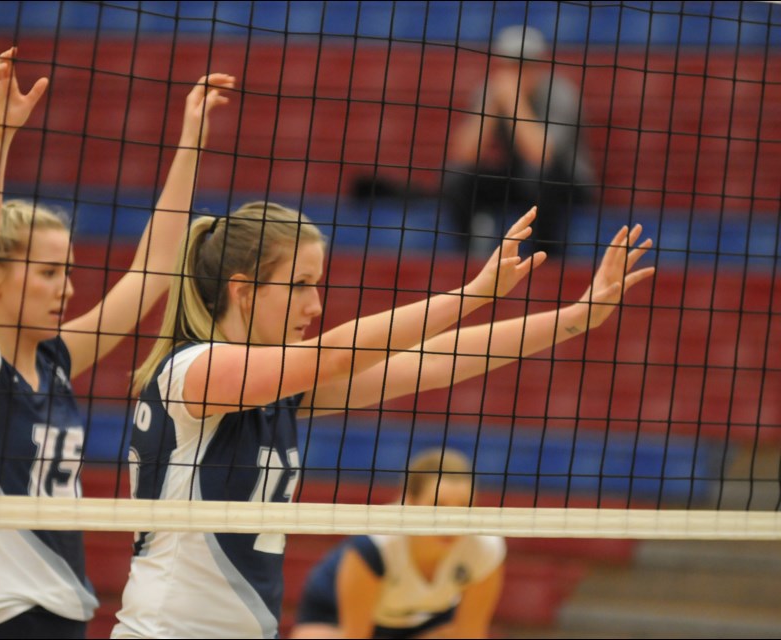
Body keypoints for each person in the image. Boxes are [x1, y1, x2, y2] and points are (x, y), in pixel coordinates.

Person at [112, 196, 653, 638]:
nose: (315, 304)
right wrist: (472, 293)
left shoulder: (277, 390)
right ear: (244, 291)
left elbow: (437, 361)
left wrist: (577, 318)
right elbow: (338, 352)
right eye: (300, 284)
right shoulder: (194, 370)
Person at [0, 45, 234, 638]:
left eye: (68, 272)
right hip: (2, 620)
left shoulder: (56, 359)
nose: (66, 289)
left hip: (68, 617)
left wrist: (192, 140)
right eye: (48, 273)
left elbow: (150, 273)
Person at [291, 449, 505, 639]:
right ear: (409, 502)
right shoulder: (375, 546)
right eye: (438, 505)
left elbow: (470, 633)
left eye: (464, 506)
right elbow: (355, 635)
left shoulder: (484, 547)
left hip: (423, 622)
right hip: (336, 617)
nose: (452, 521)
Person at [444, 25, 596, 255]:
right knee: (458, 178)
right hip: (520, 176)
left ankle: (545, 257)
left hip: (565, 181)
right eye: (511, 64)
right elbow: (463, 155)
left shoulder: (561, 93)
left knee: (540, 178)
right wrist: (493, 105)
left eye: (525, 64)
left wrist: (514, 102)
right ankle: (467, 255)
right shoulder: (492, 92)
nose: (518, 71)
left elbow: (541, 155)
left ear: (540, 64)